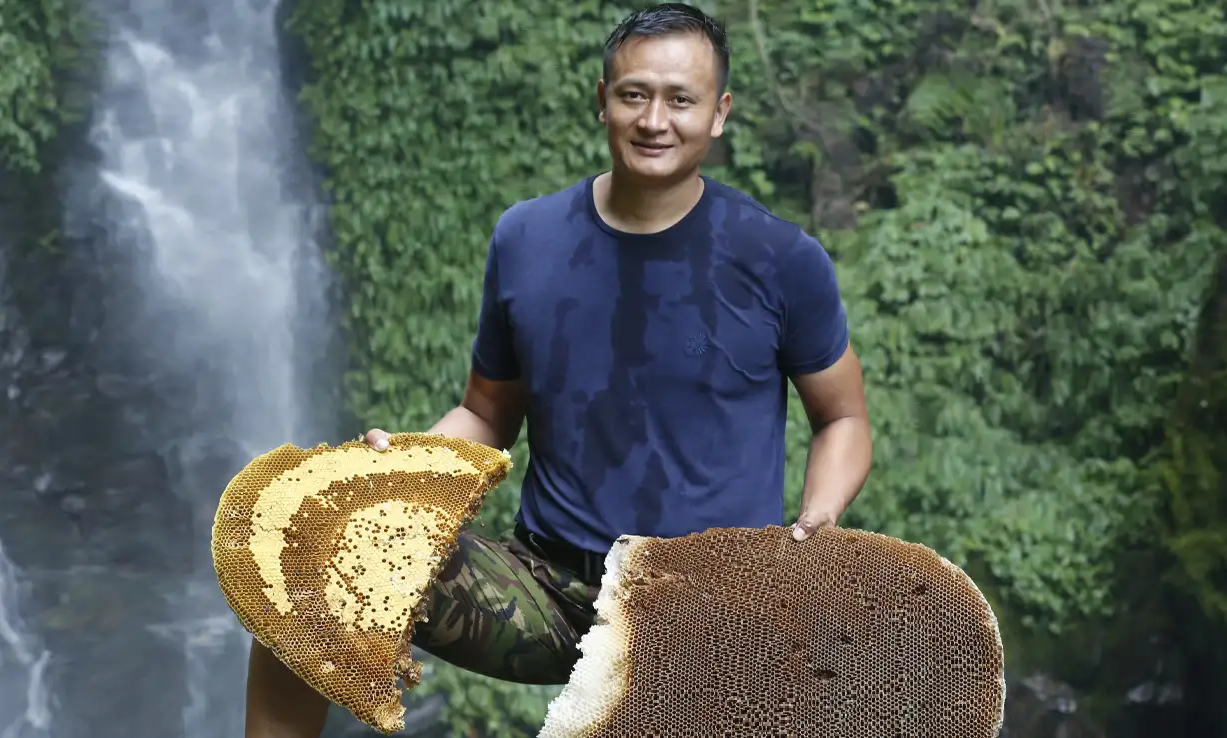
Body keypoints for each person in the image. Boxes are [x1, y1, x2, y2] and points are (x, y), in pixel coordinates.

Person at [244, 3, 873, 735]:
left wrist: (818, 521)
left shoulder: (780, 259)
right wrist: (403, 467)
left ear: (719, 113)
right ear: (602, 100)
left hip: (709, 609)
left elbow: (844, 417)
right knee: (307, 560)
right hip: (546, 588)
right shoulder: (528, 237)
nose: (654, 120)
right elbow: (486, 412)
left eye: (681, 99)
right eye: (634, 94)